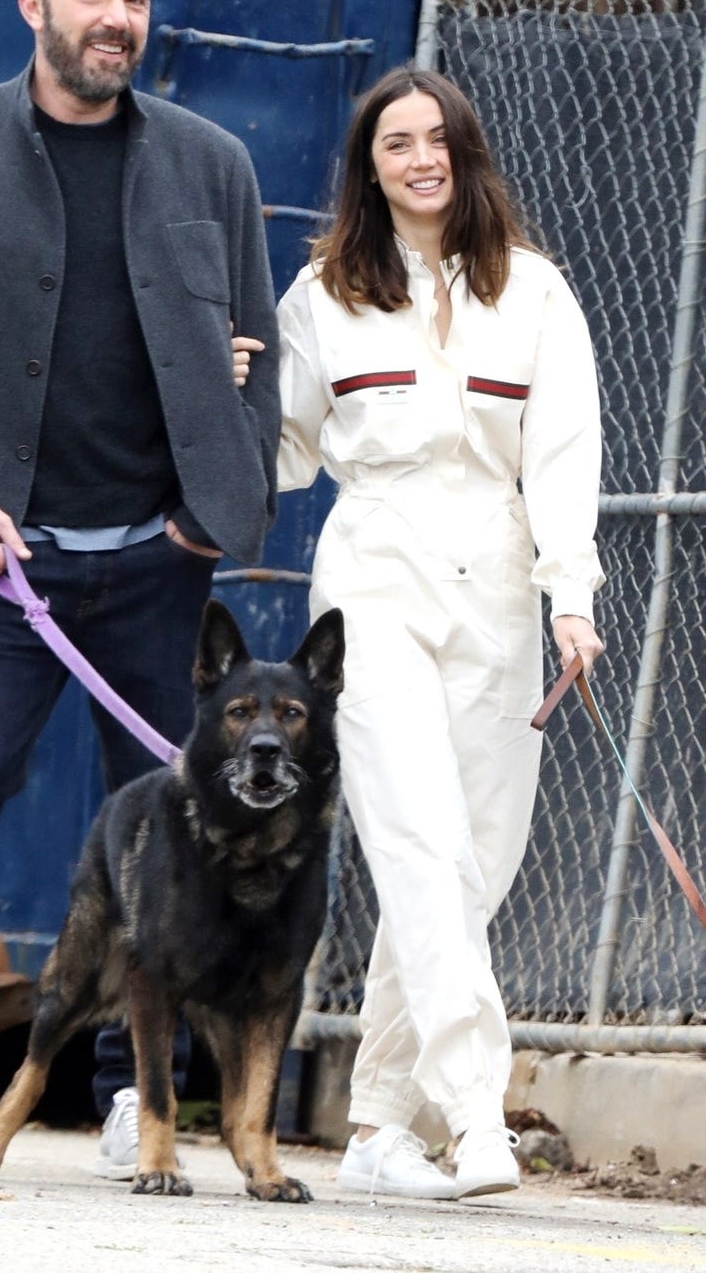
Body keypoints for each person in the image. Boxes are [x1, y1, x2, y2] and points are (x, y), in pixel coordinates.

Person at [0, 0, 279, 1174]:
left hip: (158, 566)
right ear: (36, 4)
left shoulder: (212, 164)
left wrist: (213, 513)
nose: (117, 21)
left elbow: (257, 356)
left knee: (164, 824)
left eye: (135, 0)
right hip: (4, 561)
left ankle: (123, 1093)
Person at [276, 66, 604, 1199]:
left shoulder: (537, 293)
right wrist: (224, 393)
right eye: (393, 143)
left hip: (504, 580)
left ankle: (374, 1123)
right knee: (415, 837)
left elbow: (561, 455)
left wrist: (572, 594)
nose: (419, 158)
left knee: (470, 864)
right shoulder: (322, 291)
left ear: (464, 155)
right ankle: (474, 1116)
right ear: (367, 169)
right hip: (372, 567)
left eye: (436, 140)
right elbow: (285, 451)